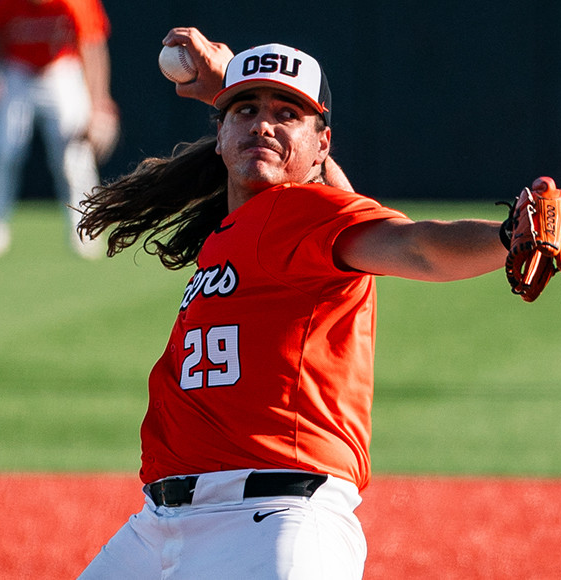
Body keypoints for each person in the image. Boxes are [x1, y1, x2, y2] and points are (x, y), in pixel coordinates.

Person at [75, 28, 508, 579]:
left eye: (288, 114)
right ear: (220, 131)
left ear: (322, 144)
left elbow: (417, 246)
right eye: (245, 110)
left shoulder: (303, 214)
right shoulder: (237, 231)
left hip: (274, 525)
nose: (263, 124)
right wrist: (228, 90)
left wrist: (510, 236)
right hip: (160, 527)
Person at [0, 0, 119, 259]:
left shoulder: (74, 3)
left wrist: (99, 102)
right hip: (15, 70)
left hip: (61, 69)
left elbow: (93, 46)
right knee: (4, 151)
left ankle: (86, 227)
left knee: (73, 156)